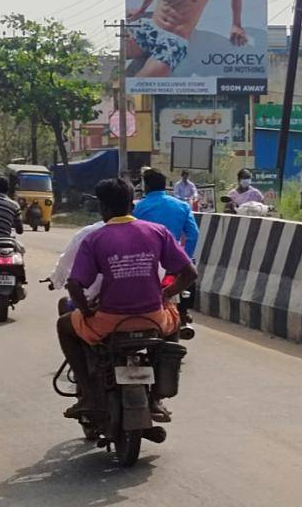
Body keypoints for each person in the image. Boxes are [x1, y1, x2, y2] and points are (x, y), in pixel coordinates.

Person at [57, 178, 197, 419]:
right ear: (131, 205)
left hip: (110, 321)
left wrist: (87, 312)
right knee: (174, 320)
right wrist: (166, 295)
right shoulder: (157, 232)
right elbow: (189, 273)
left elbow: (74, 285)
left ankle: (89, 395)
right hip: (153, 320)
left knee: (64, 325)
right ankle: (157, 397)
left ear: (104, 208)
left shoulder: (94, 239)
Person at [134, 168, 200, 322]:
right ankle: (183, 311)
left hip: (146, 258)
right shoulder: (182, 206)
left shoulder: (138, 207)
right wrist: (186, 256)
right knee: (190, 272)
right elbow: (193, 234)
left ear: (146, 186)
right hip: (173, 256)